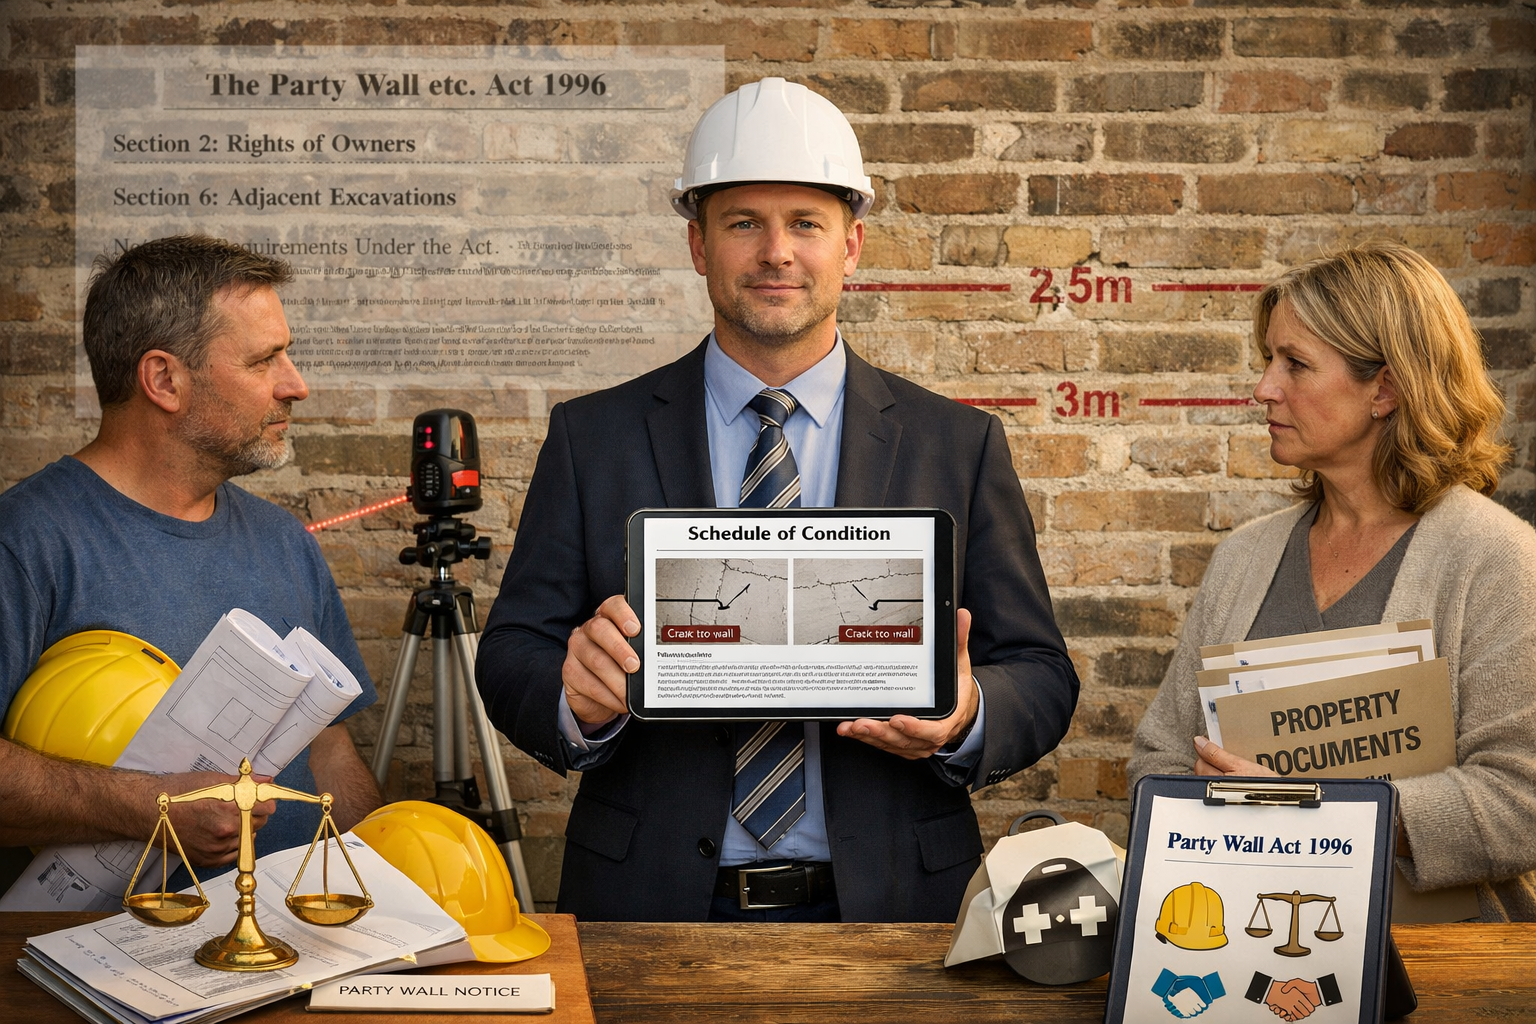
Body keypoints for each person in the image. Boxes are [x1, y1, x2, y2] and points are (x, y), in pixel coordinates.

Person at [476, 78, 1078, 923]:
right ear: (698, 245)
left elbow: (1044, 675)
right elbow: (510, 654)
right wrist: (574, 697)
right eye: (743, 224)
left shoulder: (957, 445)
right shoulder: (594, 437)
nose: (776, 253)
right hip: (650, 905)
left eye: (805, 224)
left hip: (896, 906)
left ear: (852, 246)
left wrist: (966, 712)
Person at [1128, 241, 1536, 920]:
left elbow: (1521, 802)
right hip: (1243, 962)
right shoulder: (1244, 560)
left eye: (1295, 364)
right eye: (1269, 361)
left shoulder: (1498, 560)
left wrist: (1314, 812)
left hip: (1438, 974)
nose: (1264, 388)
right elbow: (1159, 760)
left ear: (1385, 388)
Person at [0, 235, 381, 896]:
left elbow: (326, 749)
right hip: (106, 978)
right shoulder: (26, 541)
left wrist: (385, 889)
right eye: (265, 361)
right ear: (164, 380)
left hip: (298, 958)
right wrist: (150, 807)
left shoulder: (285, 541)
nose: (297, 385)